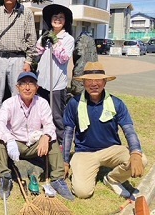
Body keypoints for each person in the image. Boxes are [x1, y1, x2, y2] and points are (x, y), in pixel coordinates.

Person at [63, 61, 147, 199]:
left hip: (111, 150)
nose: (94, 84)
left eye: (98, 80)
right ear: (83, 82)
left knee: (141, 159)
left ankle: (113, 178)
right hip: (85, 152)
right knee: (82, 192)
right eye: (89, 80)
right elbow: (68, 133)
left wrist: (136, 152)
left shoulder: (116, 103)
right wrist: (65, 161)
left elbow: (129, 130)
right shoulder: (74, 103)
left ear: (105, 82)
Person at [0, 72, 74, 201]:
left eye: (31, 84)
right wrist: (9, 140)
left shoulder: (42, 103)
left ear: (37, 87)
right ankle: (4, 177)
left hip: (35, 145)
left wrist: (46, 136)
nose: (27, 88)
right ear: (17, 87)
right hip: (16, 144)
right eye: (23, 84)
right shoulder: (9, 103)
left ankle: (57, 179)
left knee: (52, 139)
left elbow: (49, 124)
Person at [36, 4, 74, 144]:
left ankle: (60, 145)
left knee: (57, 116)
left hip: (56, 83)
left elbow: (64, 58)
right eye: (55, 16)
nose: (57, 19)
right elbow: (36, 54)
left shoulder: (68, 39)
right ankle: (43, 140)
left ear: (65, 21)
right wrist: (43, 41)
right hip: (42, 82)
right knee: (41, 114)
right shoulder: (44, 36)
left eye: (61, 17)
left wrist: (55, 41)